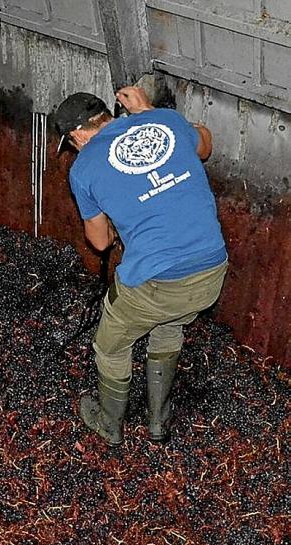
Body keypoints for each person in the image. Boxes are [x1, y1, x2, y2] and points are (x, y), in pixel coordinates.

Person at [52, 86, 228, 445]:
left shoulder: (83, 167)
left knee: (112, 345)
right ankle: (158, 422)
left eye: (70, 143)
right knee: (168, 324)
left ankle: (109, 425)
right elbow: (206, 145)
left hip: (156, 281)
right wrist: (150, 112)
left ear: (76, 136)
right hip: (211, 268)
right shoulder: (162, 120)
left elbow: (100, 242)